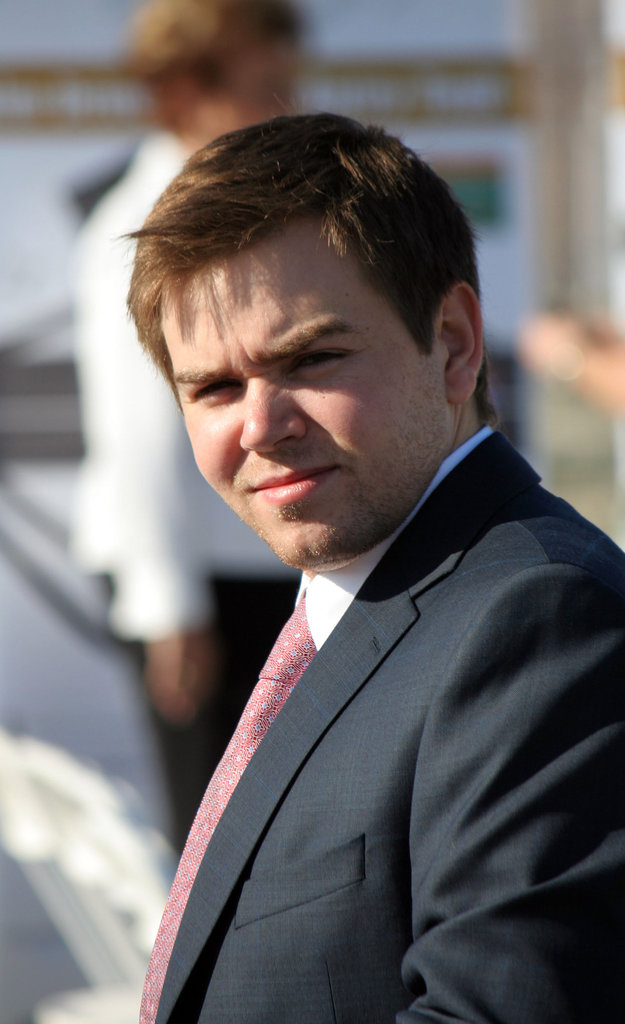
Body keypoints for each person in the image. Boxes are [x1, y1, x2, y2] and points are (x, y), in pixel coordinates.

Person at [128, 113, 625, 1023]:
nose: (261, 425)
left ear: (455, 342)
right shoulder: (346, 614)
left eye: (313, 358)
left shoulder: (541, 622)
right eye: (214, 388)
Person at [71, 0, 301, 851]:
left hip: (247, 562)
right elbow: (136, 432)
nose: (289, 108)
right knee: (221, 834)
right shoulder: (150, 227)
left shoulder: (235, 210)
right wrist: (171, 607)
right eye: (267, 86)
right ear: (182, 92)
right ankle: (202, 991)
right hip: (201, 581)